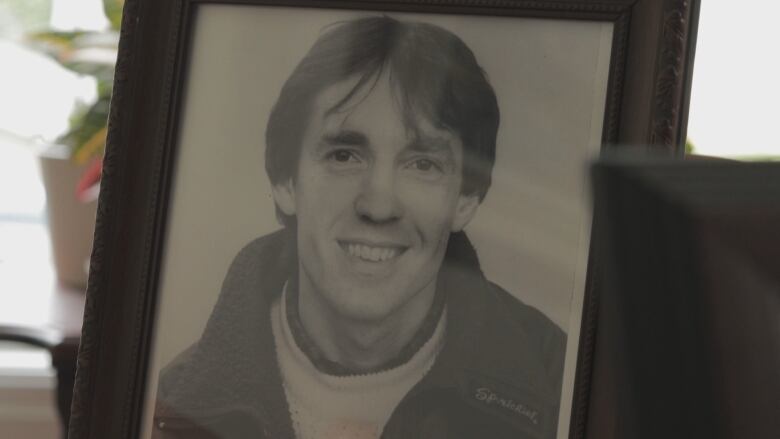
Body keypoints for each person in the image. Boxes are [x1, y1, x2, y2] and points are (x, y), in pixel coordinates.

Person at [153, 15, 565, 439]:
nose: (379, 204)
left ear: (467, 199)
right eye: (345, 156)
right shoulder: (172, 404)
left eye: (422, 164)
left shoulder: (560, 387)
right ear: (285, 181)